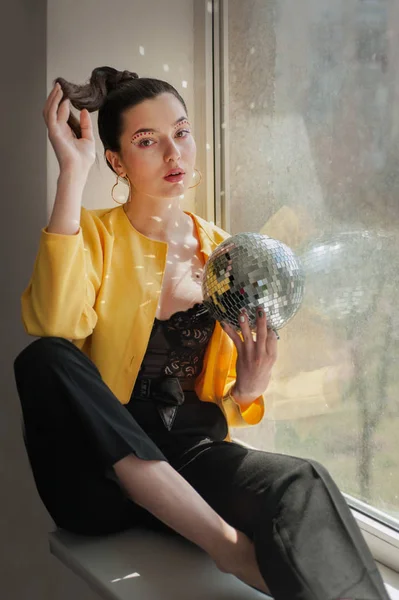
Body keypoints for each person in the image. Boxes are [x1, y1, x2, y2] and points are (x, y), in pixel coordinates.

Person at [13, 66, 390, 600]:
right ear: (116, 161)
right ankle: (226, 547)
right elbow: (53, 321)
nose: (173, 154)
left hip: (188, 461)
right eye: (148, 140)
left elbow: (228, 402)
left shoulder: (227, 253)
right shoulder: (90, 234)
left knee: (301, 481)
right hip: (97, 480)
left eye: (181, 133)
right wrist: (72, 173)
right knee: (45, 358)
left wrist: (249, 389)